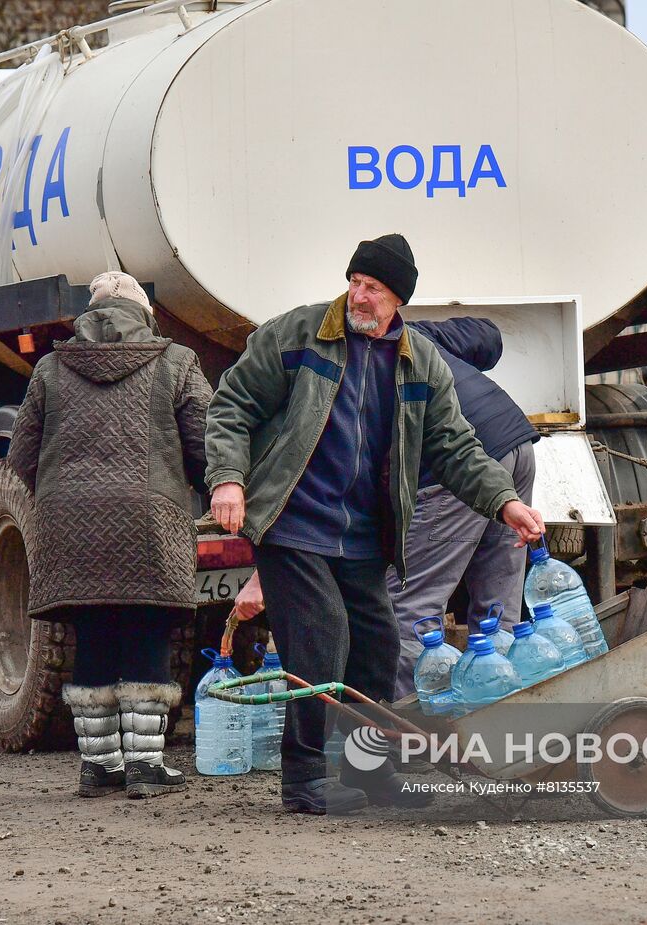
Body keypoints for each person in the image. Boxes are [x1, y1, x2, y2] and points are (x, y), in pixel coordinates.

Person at [206, 233, 545, 814]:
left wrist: (504, 502)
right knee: (319, 635)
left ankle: (369, 770)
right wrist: (228, 478)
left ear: (399, 301)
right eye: (355, 283)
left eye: (375, 289)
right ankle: (304, 778)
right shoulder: (297, 334)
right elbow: (233, 403)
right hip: (292, 521)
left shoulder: (419, 360)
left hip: (364, 532)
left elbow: (454, 444)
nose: (360, 297)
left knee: (379, 645)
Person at [7, 271, 212, 800]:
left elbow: (20, 457)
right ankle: (145, 765)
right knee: (146, 627)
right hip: (148, 521)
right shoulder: (175, 362)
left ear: (89, 314)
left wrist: (65, 498)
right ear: (144, 313)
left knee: (92, 629)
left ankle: (99, 767)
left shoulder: (50, 369)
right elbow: (206, 445)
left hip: (69, 525)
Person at [388, 317, 540, 699]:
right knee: (499, 610)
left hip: (458, 466)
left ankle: (413, 731)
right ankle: (503, 710)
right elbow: (487, 335)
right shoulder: (414, 333)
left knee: (408, 608)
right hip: (514, 441)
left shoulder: (350, 360)